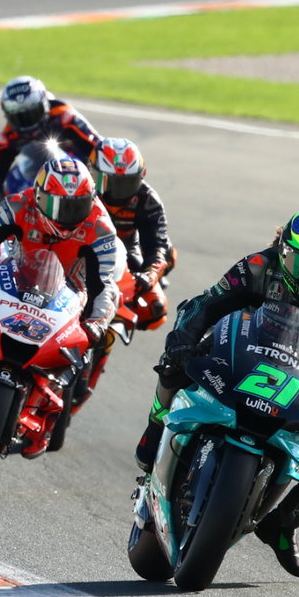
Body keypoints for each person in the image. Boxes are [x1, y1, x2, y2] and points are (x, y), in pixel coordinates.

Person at [137, 210, 299, 579]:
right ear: (287, 254)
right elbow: (205, 304)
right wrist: (181, 344)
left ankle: (280, 525)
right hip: (239, 353)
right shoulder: (259, 267)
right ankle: (154, 431)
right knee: (173, 367)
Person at [0, 156, 121, 455]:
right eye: (58, 206)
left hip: (68, 292)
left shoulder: (101, 229)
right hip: (15, 275)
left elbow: (105, 287)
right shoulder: (19, 205)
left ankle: (46, 416)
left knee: (80, 349)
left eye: (77, 205)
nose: (68, 216)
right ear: (38, 195)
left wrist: (97, 322)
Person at [84, 137, 175, 400]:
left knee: (156, 309)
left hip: (124, 255)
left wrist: (148, 275)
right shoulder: (83, 191)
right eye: (111, 182)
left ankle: (110, 334)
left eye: (127, 182)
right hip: (80, 246)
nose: (118, 191)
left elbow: (159, 247)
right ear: (94, 174)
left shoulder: (147, 199)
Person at [0, 76, 103, 207]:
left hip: (76, 168)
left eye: (32, 113)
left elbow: (98, 145)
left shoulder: (64, 115)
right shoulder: (9, 135)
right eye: (18, 117)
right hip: (38, 173)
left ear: (44, 104)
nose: (26, 122)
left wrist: (99, 174)